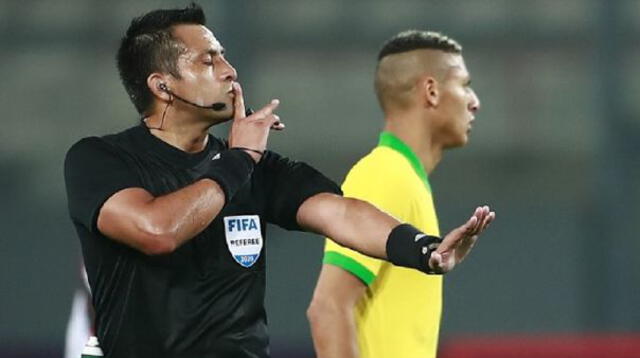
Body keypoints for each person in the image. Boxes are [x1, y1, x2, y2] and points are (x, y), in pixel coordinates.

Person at [63, 4, 495, 357]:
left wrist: (422, 250)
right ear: (163, 85)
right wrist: (240, 158)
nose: (229, 70)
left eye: (225, 56)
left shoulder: (258, 169)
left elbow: (340, 213)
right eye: (208, 60)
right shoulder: (100, 160)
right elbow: (156, 230)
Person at [307, 30, 492, 358]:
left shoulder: (406, 179)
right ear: (431, 91)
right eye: (464, 84)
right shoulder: (384, 174)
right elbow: (328, 309)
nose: (475, 101)